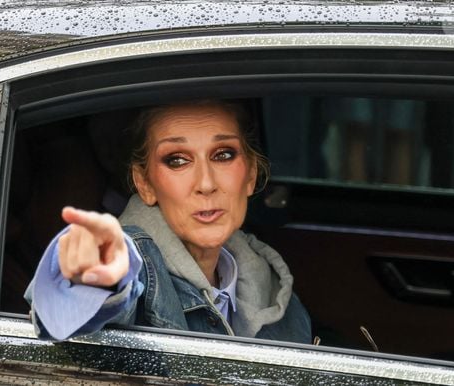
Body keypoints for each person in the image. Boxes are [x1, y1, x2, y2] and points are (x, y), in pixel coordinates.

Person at [25, 100, 312, 344]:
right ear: (145, 183)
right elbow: (69, 315)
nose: (206, 183)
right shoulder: (134, 263)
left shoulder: (273, 286)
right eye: (177, 160)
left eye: (223, 155)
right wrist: (97, 283)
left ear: (250, 175)